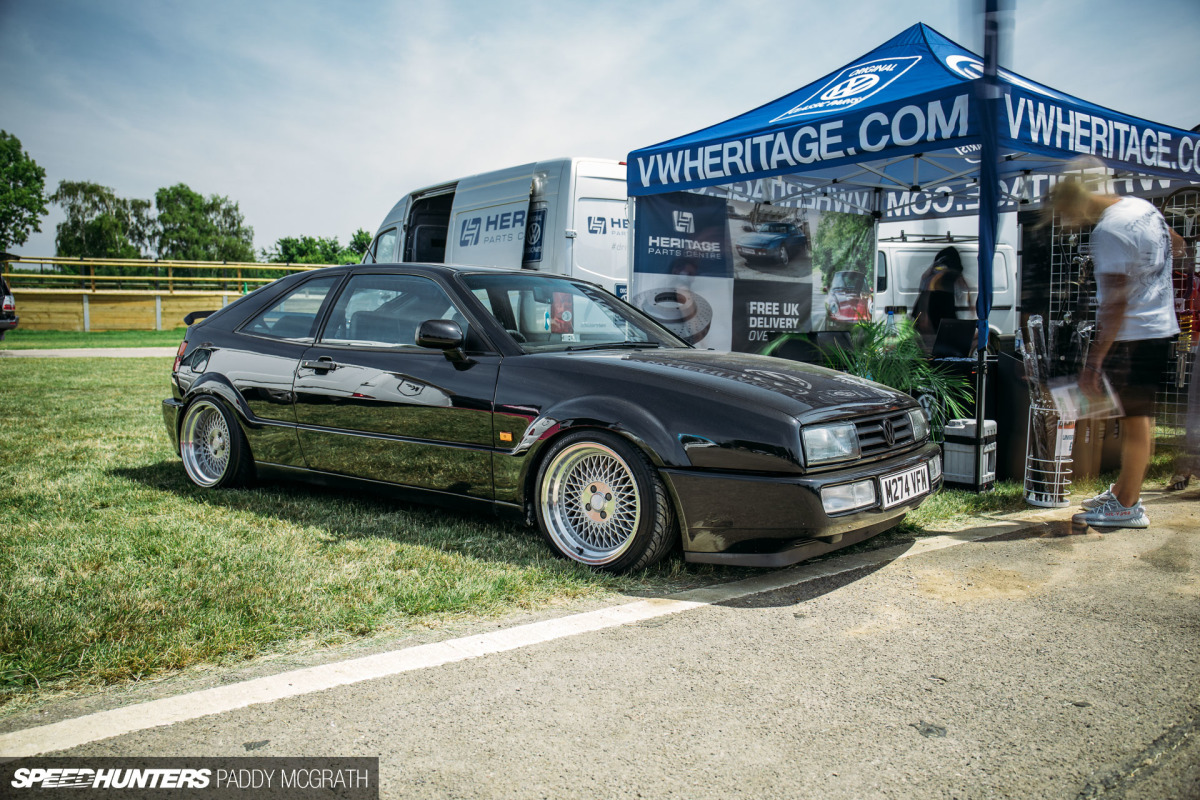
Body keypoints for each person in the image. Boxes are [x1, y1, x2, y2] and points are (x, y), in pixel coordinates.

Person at [1047, 175, 1182, 528]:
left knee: (1135, 421)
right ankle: (1124, 491)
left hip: (1134, 333)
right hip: (1159, 326)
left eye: (1066, 212)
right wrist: (1151, 276)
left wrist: (1093, 363)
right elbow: (1178, 245)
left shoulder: (1107, 231)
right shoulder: (1142, 207)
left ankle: (1127, 505)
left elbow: (1115, 303)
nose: (1069, 221)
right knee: (1138, 417)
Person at [911, 246, 971, 351]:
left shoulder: (949, 269)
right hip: (935, 307)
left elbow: (963, 284)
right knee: (931, 344)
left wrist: (970, 303)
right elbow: (926, 291)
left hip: (942, 307)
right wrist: (924, 315)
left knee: (941, 343)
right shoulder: (939, 272)